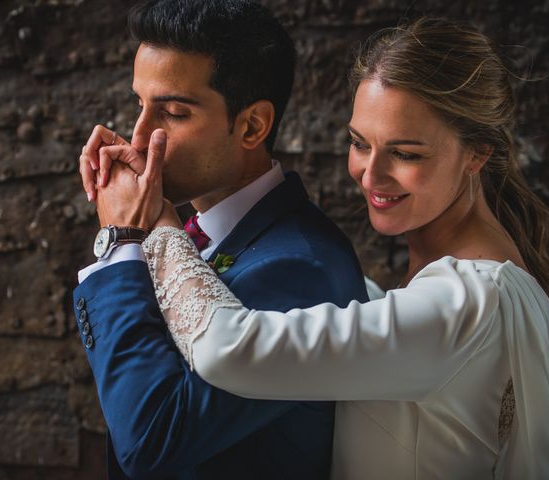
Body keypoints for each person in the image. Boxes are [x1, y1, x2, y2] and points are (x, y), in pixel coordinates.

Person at [106, 17, 549, 479]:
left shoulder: (470, 302)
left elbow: (229, 351)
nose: (371, 176)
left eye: (406, 154)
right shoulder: (441, 290)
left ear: (477, 152)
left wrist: (152, 228)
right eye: (359, 143)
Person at [74, 0, 368, 478]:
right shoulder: (180, 229)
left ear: (252, 125)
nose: (140, 134)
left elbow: (152, 442)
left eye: (172, 112)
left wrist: (121, 241)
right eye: (139, 105)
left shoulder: (299, 269)